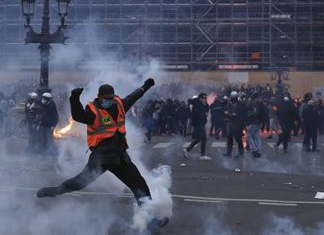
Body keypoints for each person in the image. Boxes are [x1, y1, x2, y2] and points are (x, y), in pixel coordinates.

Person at [36, 78, 169, 231]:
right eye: (106, 99)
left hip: (120, 157)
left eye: (111, 98)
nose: (110, 101)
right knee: (80, 183)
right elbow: (79, 116)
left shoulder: (119, 105)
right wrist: (74, 99)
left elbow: (132, 97)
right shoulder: (93, 112)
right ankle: (55, 191)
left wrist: (145, 87)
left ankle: (149, 221)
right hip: (101, 158)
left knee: (140, 185)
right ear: (99, 97)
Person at [184, 93, 212, 160]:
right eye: (204, 98)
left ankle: (187, 149)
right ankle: (203, 155)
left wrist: (205, 106)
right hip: (198, 123)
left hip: (201, 123)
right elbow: (193, 102)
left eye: (206, 98)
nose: (205, 99)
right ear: (200, 98)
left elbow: (206, 111)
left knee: (198, 139)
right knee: (204, 139)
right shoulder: (196, 104)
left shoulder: (203, 105)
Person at [224, 91, 247, 158]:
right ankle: (229, 153)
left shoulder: (240, 105)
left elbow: (243, 115)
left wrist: (234, 115)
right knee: (230, 139)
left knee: (238, 139)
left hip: (238, 124)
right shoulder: (232, 104)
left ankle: (240, 153)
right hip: (233, 124)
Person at [245, 93, 264, 158]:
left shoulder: (254, 104)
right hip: (260, 122)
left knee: (248, 136)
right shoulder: (261, 103)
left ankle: (254, 150)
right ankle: (258, 151)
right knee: (256, 136)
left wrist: (248, 116)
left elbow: (255, 113)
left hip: (254, 122)